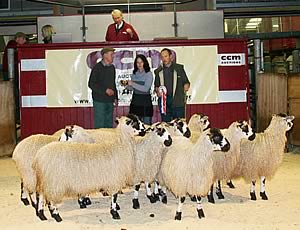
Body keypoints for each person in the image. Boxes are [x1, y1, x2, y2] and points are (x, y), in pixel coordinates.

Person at [154, 48, 190, 122]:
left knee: (179, 125)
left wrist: (187, 85)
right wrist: (157, 91)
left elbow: (186, 82)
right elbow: (156, 86)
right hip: (164, 103)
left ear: (171, 56)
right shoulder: (158, 71)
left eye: (166, 56)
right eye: (162, 57)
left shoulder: (179, 68)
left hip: (178, 101)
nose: (164, 59)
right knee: (166, 125)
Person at [88, 47, 118, 128]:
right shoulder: (97, 68)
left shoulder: (112, 68)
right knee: (100, 125)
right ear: (105, 55)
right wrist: (105, 90)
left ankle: (108, 141)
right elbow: (91, 84)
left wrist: (115, 97)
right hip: (99, 101)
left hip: (110, 100)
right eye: (111, 54)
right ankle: (99, 140)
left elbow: (113, 83)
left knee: (109, 124)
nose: (113, 56)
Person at [125, 54, 153, 125]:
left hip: (145, 101)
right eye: (138, 62)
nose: (139, 64)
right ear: (135, 64)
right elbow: (133, 88)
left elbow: (146, 89)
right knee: (135, 125)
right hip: (135, 100)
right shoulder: (134, 74)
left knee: (146, 125)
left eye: (141, 62)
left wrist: (132, 84)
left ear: (145, 63)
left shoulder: (149, 74)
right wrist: (127, 85)